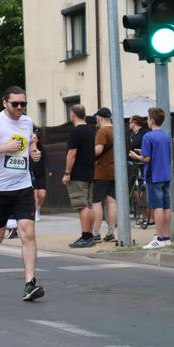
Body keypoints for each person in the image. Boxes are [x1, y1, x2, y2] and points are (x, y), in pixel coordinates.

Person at [0, 85, 45, 302]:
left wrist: (34, 151)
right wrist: (4, 148)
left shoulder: (26, 121)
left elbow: (31, 139)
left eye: (23, 104)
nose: (19, 108)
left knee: (28, 233)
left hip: (22, 186)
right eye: (15, 104)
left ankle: (29, 284)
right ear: (5, 102)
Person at [129, 107, 173, 249]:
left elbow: (147, 159)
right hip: (166, 174)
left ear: (152, 120)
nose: (147, 121)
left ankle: (159, 237)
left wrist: (137, 156)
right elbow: (159, 153)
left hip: (153, 175)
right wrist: (144, 153)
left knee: (157, 207)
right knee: (166, 206)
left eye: (148, 118)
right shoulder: (166, 135)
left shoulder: (148, 136)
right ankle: (166, 237)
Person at [62, 104, 96, 248]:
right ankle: (90, 235)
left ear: (73, 115)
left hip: (78, 173)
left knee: (82, 206)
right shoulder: (90, 130)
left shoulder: (76, 132)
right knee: (89, 205)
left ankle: (85, 236)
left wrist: (67, 173)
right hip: (89, 172)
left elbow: (72, 154)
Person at [91, 107, 117, 242]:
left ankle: (95, 233)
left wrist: (90, 151)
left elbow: (98, 151)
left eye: (97, 118)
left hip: (102, 171)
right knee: (111, 202)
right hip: (115, 171)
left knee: (97, 202)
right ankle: (111, 232)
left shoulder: (102, 131)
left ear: (100, 118)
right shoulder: (116, 130)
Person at [128, 114, 152, 226]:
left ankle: (150, 217)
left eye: (130, 122)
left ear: (135, 122)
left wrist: (141, 152)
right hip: (134, 164)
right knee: (135, 192)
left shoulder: (145, 134)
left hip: (144, 164)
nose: (129, 124)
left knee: (145, 191)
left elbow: (149, 149)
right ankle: (144, 216)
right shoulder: (131, 135)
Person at [29, 128, 52, 222]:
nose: (34, 139)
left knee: (42, 195)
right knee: (34, 195)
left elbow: (47, 160)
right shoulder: (27, 150)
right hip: (31, 173)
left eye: (35, 138)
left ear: (38, 139)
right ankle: (35, 212)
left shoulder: (42, 149)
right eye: (32, 138)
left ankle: (38, 208)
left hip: (41, 174)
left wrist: (50, 169)